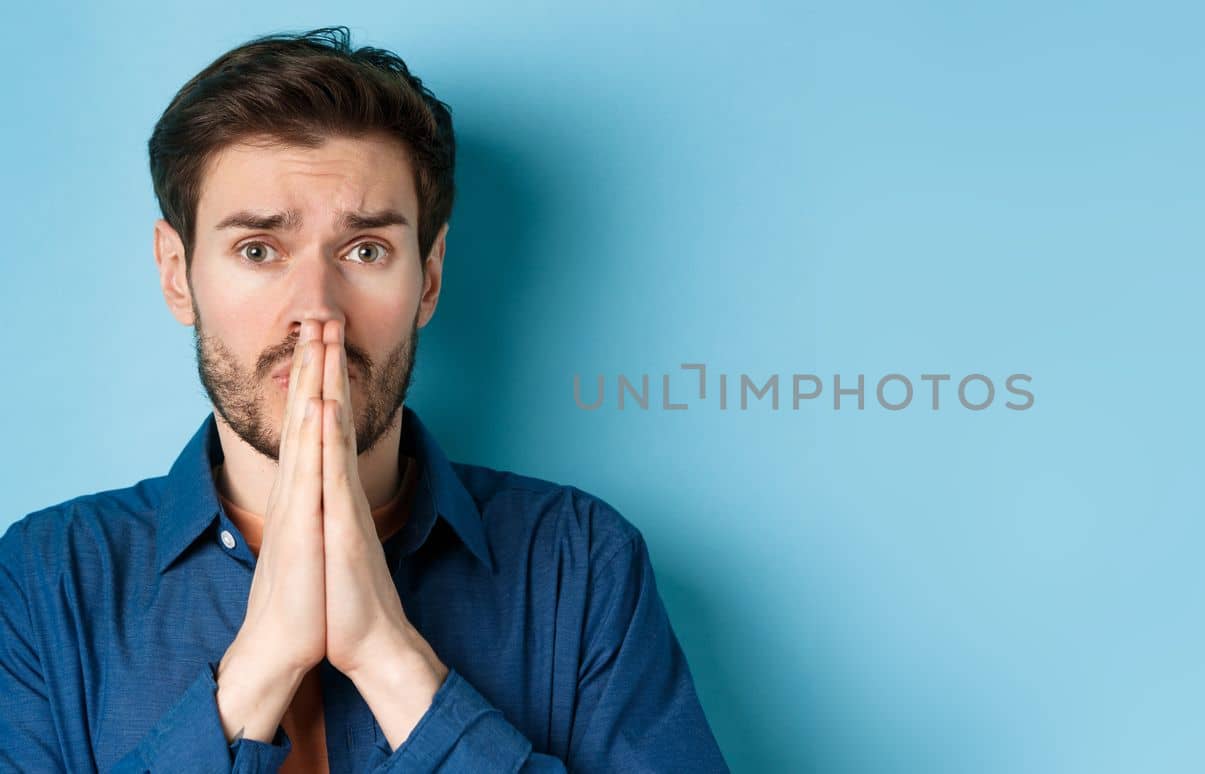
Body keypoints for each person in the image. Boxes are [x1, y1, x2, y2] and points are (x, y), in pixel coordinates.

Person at [0, 26, 729, 773]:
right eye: (258, 251)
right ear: (177, 273)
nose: (317, 309)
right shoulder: (45, 577)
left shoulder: (581, 562)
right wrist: (258, 669)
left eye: (365, 251)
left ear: (430, 276)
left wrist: (388, 655)